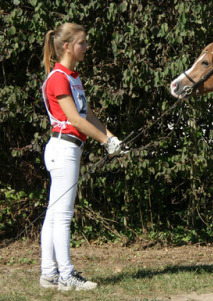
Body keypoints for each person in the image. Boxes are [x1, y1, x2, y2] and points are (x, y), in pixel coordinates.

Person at [39, 22, 121, 291]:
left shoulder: (72, 76)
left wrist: (110, 136)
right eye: (82, 43)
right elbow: (73, 118)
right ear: (67, 47)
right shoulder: (59, 77)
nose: (86, 47)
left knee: (54, 214)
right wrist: (104, 141)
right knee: (62, 215)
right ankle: (66, 276)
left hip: (69, 148)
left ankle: (49, 274)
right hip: (63, 149)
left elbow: (86, 115)